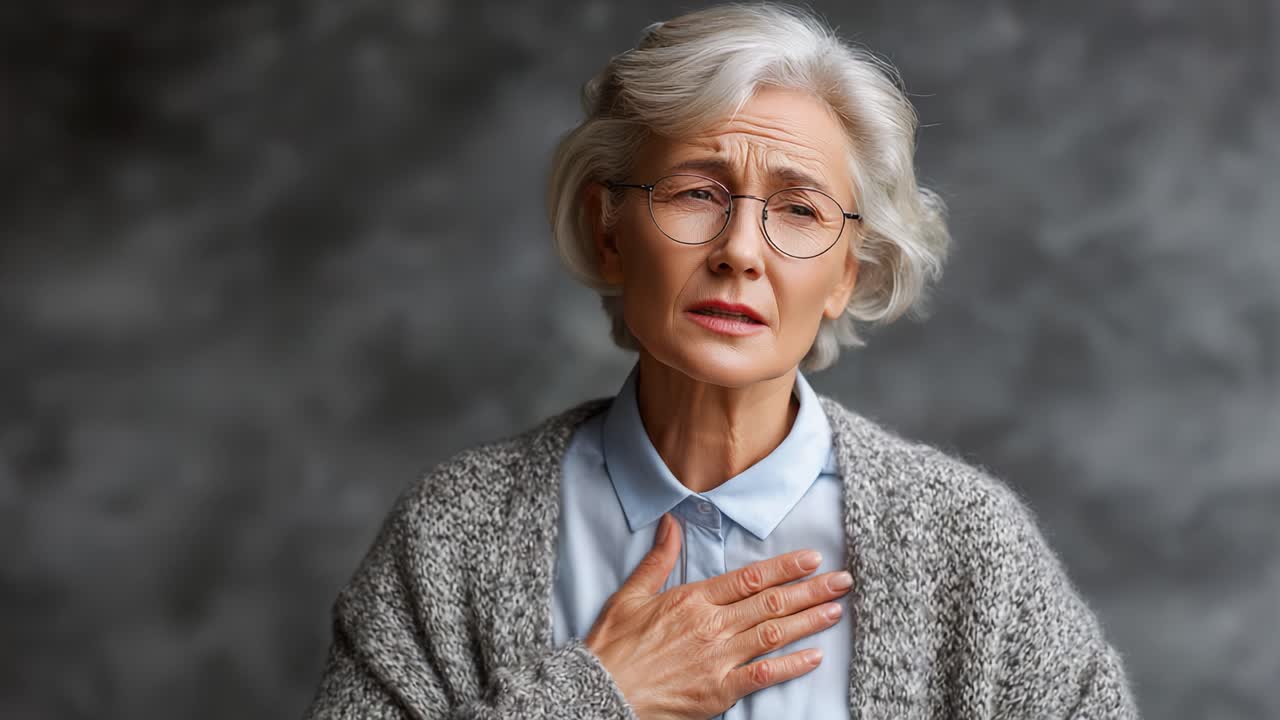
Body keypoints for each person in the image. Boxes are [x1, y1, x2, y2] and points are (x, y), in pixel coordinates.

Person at [303, 3, 1139, 718]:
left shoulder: (970, 549)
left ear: (847, 273)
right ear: (609, 231)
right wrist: (599, 695)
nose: (741, 250)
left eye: (800, 209)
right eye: (697, 192)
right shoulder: (449, 541)